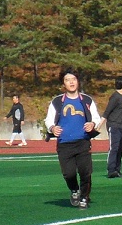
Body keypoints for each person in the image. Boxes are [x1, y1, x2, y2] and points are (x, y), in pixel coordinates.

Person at [44, 70, 104, 208]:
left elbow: (95, 117)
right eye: (67, 80)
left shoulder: (87, 100)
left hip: (82, 142)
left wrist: (92, 124)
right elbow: (48, 120)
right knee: (69, 173)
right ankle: (74, 190)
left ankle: (84, 197)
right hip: (64, 144)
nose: (71, 82)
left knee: (85, 172)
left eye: (74, 79)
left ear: (78, 81)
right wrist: (52, 128)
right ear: (63, 84)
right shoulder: (57, 101)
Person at [103, 76, 122, 178]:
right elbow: (107, 112)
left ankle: (117, 170)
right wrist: (99, 124)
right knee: (114, 148)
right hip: (114, 126)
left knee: (120, 148)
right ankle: (111, 170)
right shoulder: (115, 97)